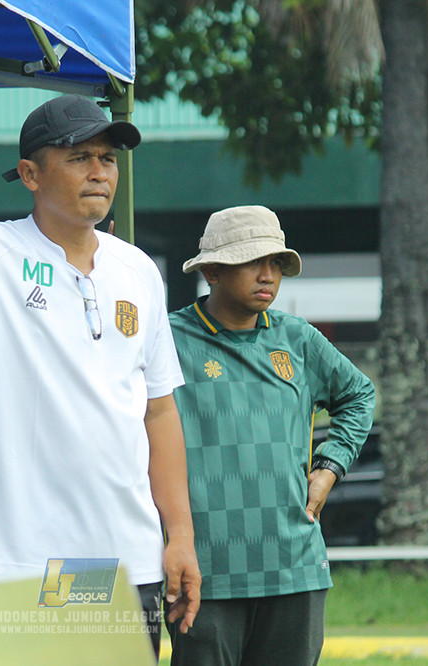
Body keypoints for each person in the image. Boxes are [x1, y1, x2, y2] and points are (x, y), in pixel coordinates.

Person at [0, 70, 201, 650]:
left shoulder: (140, 270)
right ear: (30, 174)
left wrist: (179, 535)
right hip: (23, 556)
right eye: (80, 157)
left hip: (126, 555)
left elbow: (159, 412)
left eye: (108, 157)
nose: (100, 171)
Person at [165, 205, 375, 665]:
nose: (268, 274)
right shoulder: (167, 338)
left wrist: (329, 467)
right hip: (205, 572)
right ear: (214, 271)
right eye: (252, 261)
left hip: (294, 569)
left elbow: (360, 395)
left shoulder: (297, 338)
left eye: (276, 263)